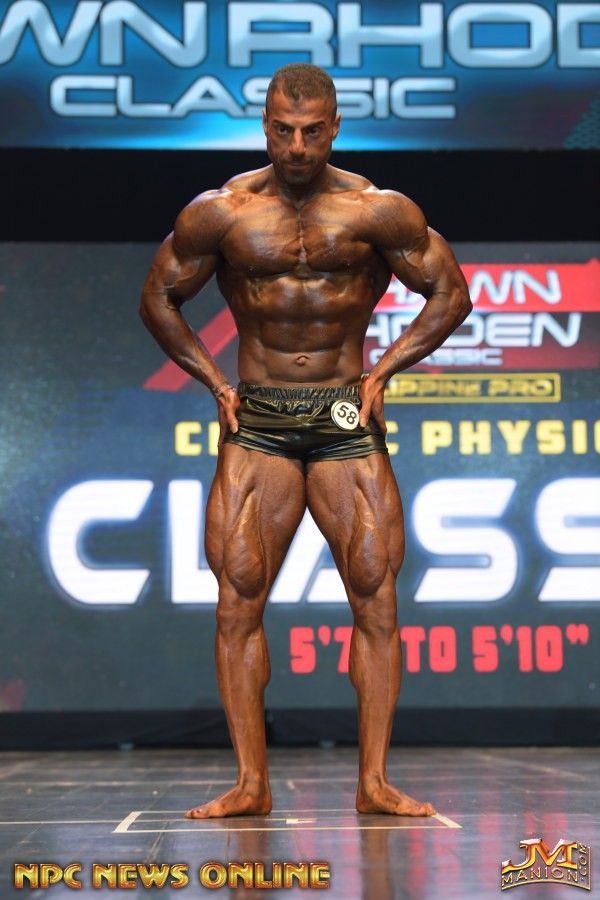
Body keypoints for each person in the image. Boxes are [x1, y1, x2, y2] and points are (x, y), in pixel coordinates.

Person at [140, 63, 471, 819]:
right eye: (284, 131)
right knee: (238, 598)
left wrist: (384, 370)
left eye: (312, 131)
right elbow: (158, 296)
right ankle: (250, 783)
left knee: (375, 594)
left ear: (334, 127)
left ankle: (374, 781)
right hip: (258, 417)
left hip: (344, 412)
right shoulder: (222, 212)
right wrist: (214, 382)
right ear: (264, 127)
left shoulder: (377, 210)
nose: (297, 146)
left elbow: (450, 292)